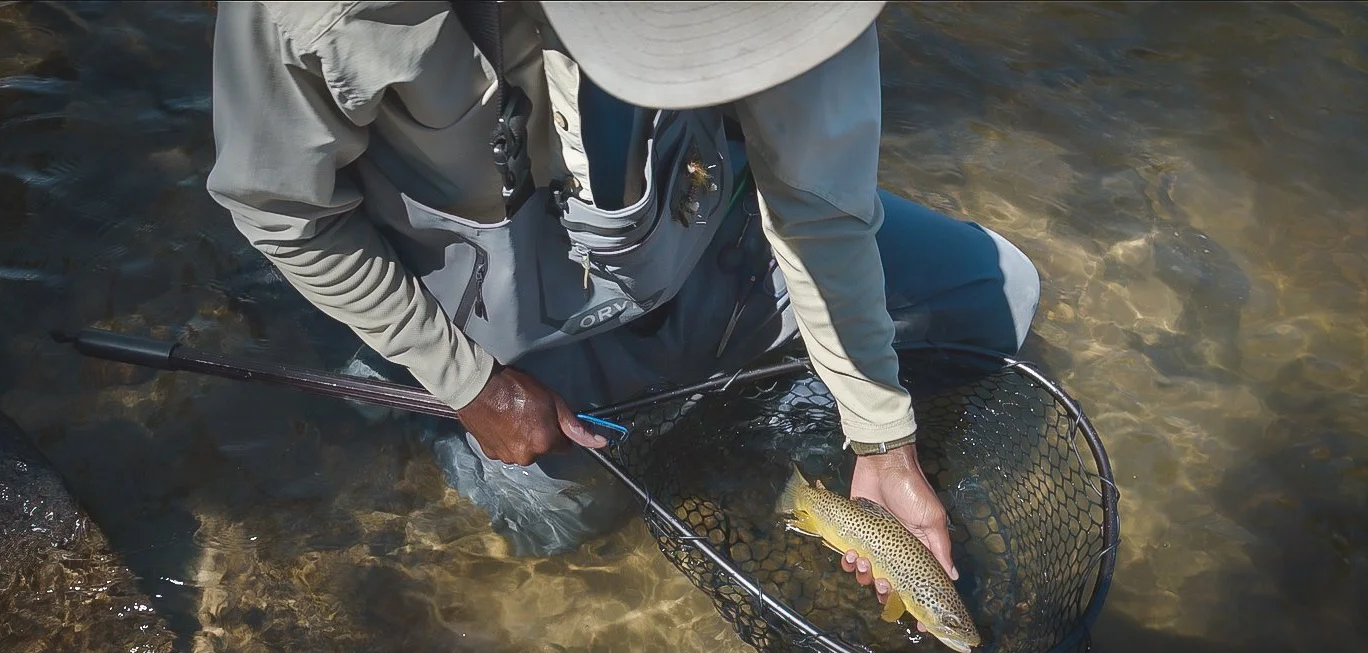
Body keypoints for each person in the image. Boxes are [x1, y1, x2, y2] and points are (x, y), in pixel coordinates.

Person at [205, 1, 1040, 609]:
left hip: (717, 236)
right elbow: (281, 212)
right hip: (519, 327)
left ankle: (735, 383)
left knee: (996, 296)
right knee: (553, 525)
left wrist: (882, 436)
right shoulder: (309, 14)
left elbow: (821, 207)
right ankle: (405, 390)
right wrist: (468, 382)